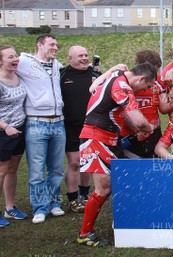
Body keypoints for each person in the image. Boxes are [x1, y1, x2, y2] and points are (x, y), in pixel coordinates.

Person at [77, 63, 156, 246]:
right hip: (96, 137)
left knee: (119, 182)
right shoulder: (123, 86)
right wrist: (149, 127)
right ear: (141, 79)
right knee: (103, 188)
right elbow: (139, 121)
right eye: (147, 86)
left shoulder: (117, 75)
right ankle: (85, 233)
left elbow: (92, 88)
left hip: (108, 138)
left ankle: (125, 224)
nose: (145, 90)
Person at [18, 34, 66, 224]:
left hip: (58, 122)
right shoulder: (24, 62)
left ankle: (54, 203)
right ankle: (39, 207)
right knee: (37, 169)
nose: (55, 47)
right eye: (51, 44)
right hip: (36, 122)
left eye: (56, 44)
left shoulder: (57, 65)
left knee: (56, 168)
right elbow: (7, 66)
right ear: (39, 45)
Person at [60, 45, 101, 212]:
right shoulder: (62, 75)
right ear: (70, 58)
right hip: (70, 127)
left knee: (87, 163)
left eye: (86, 55)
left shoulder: (95, 75)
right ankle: (73, 198)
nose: (84, 58)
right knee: (75, 163)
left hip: (91, 127)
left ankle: (85, 195)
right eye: (80, 56)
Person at [117, 50, 173, 159]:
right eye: (153, 69)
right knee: (130, 171)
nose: (154, 74)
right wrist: (136, 128)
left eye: (157, 69)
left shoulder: (158, 82)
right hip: (130, 134)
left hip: (153, 133)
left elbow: (163, 108)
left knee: (154, 170)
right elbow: (121, 110)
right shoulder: (126, 83)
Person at [0, 46, 28, 226]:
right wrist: (6, 126)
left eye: (16, 56)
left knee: (12, 170)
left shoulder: (19, 77)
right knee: (1, 171)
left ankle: (10, 208)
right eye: (11, 57)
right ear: (1, 61)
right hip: (4, 133)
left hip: (19, 131)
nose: (16, 59)